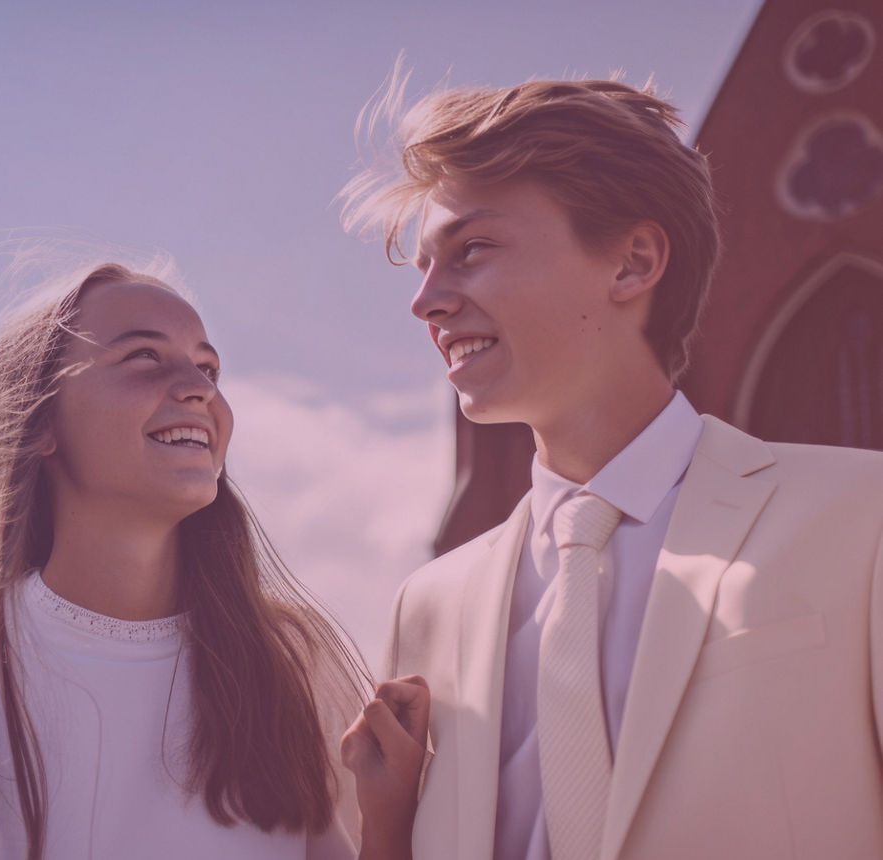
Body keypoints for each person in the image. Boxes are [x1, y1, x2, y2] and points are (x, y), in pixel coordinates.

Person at [338, 77, 883, 860]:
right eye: (424, 267)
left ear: (632, 263)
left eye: (472, 250)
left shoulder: (861, 521)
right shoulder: (426, 608)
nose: (426, 301)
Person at [0, 263, 368, 859]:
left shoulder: (293, 660)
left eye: (208, 367)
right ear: (41, 423)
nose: (199, 387)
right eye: (144, 356)